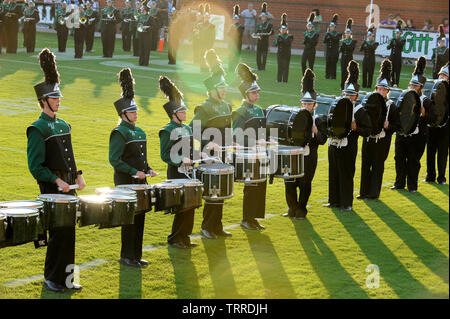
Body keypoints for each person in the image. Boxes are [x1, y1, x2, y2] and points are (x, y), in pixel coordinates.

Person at [27, 48, 86, 292]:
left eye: (59, 97)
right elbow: (35, 166)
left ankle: (69, 280)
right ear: (43, 101)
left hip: (68, 187)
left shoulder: (64, 124)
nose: (58, 101)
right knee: (56, 236)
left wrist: (78, 174)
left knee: (70, 234)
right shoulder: (37, 129)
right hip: (52, 188)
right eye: (54, 98)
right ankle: (52, 278)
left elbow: (69, 158)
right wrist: (55, 181)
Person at [109, 68, 158, 268]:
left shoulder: (139, 132)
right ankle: (127, 256)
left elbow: (141, 159)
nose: (136, 113)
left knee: (141, 219)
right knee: (129, 221)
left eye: (136, 110)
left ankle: (136, 255)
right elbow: (115, 159)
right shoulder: (119, 133)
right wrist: (133, 172)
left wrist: (148, 170)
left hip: (140, 181)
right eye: (132, 111)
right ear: (123, 114)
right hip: (125, 183)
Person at [189, 49, 233, 240]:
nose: (224, 90)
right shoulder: (204, 108)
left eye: (225, 87)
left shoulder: (226, 105)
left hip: (224, 154)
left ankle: (218, 226)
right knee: (212, 191)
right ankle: (207, 227)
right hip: (209, 156)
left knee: (222, 190)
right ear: (212, 90)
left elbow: (228, 129)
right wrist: (208, 144)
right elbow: (192, 130)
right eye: (221, 88)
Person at [324, 60, 372, 211]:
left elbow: (368, 130)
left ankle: (346, 203)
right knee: (333, 173)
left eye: (352, 95)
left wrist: (357, 128)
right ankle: (334, 201)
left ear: (357, 96)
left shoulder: (360, 110)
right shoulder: (338, 106)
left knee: (346, 174)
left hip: (349, 147)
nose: (348, 96)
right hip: (334, 144)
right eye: (346, 93)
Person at [158, 76, 198, 249]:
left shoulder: (187, 127)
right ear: (174, 114)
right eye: (182, 111)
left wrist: (198, 153)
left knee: (192, 205)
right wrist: (182, 159)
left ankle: (186, 237)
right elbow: (165, 154)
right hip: (177, 173)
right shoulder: (167, 131)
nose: (185, 113)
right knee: (182, 206)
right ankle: (175, 237)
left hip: (191, 172)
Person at [283, 69, 327, 219]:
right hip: (294, 154)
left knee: (305, 183)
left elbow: (323, 140)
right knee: (289, 182)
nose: (307, 105)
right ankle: (292, 208)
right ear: (301, 103)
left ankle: (301, 209)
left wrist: (315, 131)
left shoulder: (319, 119)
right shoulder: (295, 117)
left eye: (310, 103)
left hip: (309, 157)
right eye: (305, 103)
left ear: (315, 104)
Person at [358, 59, 400, 200]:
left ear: (388, 91)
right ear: (376, 89)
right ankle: (363, 192)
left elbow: (397, 125)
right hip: (368, 139)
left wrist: (389, 127)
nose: (381, 91)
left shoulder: (391, 106)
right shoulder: (369, 103)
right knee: (365, 165)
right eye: (379, 89)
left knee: (377, 167)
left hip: (381, 141)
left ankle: (374, 193)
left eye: (383, 89)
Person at [232, 63, 267, 230]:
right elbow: (236, 137)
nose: (257, 94)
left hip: (261, 154)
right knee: (251, 187)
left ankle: (254, 218)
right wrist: (254, 143)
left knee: (260, 185)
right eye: (254, 92)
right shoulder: (240, 112)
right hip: (247, 155)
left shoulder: (260, 110)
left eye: (258, 91)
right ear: (246, 94)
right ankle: (246, 219)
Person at [391, 56, 434, 192]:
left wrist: (424, 113)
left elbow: (434, 119)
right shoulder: (404, 96)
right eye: (411, 85)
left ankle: (412, 186)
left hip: (417, 136)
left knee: (413, 161)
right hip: (402, 133)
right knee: (399, 158)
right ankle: (399, 183)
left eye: (415, 86)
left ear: (421, 87)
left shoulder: (425, 100)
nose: (412, 87)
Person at [425, 63, 449, 184]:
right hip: (432, 126)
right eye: (441, 75)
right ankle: (430, 175)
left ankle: (441, 177)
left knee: (442, 152)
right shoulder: (432, 89)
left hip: (445, 127)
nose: (442, 78)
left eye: (445, 76)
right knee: (430, 151)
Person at [273, 13, 293, 83]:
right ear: (280, 29)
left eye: (284, 29)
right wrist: (278, 39)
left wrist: (282, 39)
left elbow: (288, 43)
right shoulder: (278, 36)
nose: (283, 30)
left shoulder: (290, 36)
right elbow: (275, 44)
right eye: (282, 29)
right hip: (280, 53)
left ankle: (285, 80)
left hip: (287, 53)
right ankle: (279, 79)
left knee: (286, 67)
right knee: (280, 66)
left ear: (286, 29)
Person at [339, 18, 357, 90]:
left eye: (348, 33)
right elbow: (340, 50)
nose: (347, 34)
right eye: (346, 33)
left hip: (349, 57)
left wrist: (345, 44)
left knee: (349, 71)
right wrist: (341, 45)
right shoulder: (342, 41)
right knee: (343, 71)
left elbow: (351, 49)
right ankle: (342, 86)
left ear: (350, 34)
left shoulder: (353, 41)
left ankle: (349, 85)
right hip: (343, 57)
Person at [387, 21, 406, 87]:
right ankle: (392, 82)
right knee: (391, 70)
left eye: (398, 33)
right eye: (396, 33)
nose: (396, 34)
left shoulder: (402, 40)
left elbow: (400, 45)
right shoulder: (393, 39)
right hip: (392, 57)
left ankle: (396, 83)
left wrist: (395, 40)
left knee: (397, 71)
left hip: (398, 57)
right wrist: (389, 44)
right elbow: (389, 47)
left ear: (400, 33)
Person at [255, 2, 273, 71]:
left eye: (264, 16)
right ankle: (259, 67)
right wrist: (255, 34)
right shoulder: (259, 24)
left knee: (264, 55)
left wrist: (265, 33)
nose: (263, 18)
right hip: (259, 41)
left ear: (266, 17)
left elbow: (270, 32)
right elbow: (257, 31)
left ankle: (263, 68)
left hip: (265, 41)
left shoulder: (269, 24)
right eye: (262, 16)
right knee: (258, 55)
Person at [227, 4, 244, 73]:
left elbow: (240, 35)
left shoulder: (241, 27)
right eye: (234, 18)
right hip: (231, 44)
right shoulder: (231, 26)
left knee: (236, 57)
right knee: (230, 56)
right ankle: (230, 68)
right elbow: (229, 34)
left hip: (237, 43)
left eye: (236, 18)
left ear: (238, 19)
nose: (235, 20)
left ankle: (235, 69)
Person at [198, 3, 215, 72]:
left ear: (209, 18)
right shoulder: (199, 25)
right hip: (201, 43)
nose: (206, 19)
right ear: (203, 17)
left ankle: (208, 69)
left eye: (208, 17)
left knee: (208, 57)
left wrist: (211, 44)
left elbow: (213, 36)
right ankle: (202, 68)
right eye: (205, 17)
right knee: (201, 56)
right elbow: (197, 34)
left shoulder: (212, 26)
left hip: (208, 44)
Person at [323, 14, 340, 79]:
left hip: (334, 51)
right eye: (330, 26)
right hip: (328, 50)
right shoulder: (328, 33)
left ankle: (333, 76)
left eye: (332, 26)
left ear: (335, 27)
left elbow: (336, 39)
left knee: (333, 63)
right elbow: (324, 41)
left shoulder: (337, 34)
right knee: (328, 62)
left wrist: (329, 35)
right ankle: (327, 75)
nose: (331, 27)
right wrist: (326, 35)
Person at [167, 0, 182, 65]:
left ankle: (174, 60)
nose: (173, 12)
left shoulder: (178, 19)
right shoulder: (170, 18)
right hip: (170, 35)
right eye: (172, 11)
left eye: (174, 11)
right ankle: (170, 60)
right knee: (170, 48)